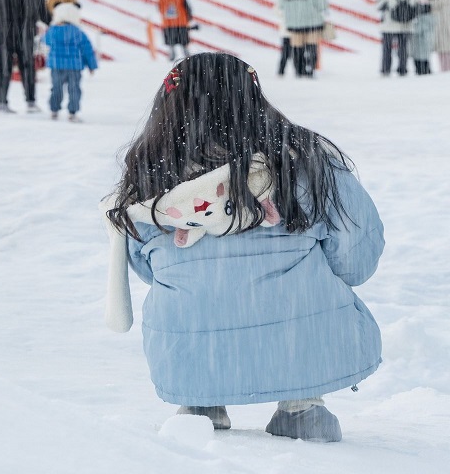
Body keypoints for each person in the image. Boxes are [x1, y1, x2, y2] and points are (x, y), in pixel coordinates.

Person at [102, 53, 383, 441]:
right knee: (302, 300)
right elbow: (355, 249)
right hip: (305, 344)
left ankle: (199, 406)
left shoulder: (149, 174)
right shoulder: (304, 161)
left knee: (191, 309)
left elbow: (147, 266)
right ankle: (302, 410)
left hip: (190, 348)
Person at [43, 2, 97, 122]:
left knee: (56, 88)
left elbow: (45, 41)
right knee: (74, 89)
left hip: (56, 65)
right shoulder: (78, 32)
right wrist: (92, 66)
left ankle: (54, 110)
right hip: (74, 66)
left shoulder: (52, 31)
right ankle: (73, 112)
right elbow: (87, 50)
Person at [277, 0, 328, 77]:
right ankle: (309, 69)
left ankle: (299, 70)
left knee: (297, 49)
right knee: (312, 47)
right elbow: (322, 5)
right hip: (313, 25)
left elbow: (280, 5)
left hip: (294, 26)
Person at [376, 0, 418, 76]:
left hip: (389, 26)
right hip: (406, 26)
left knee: (387, 49)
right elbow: (417, 7)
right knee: (403, 49)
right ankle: (402, 68)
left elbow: (378, 6)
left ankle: (386, 69)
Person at [410, 3, 435, 75]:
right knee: (426, 60)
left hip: (420, 44)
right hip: (427, 43)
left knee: (419, 61)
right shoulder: (431, 19)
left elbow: (416, 30)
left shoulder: (422, 19)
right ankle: (426, 71)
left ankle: (421, 72)